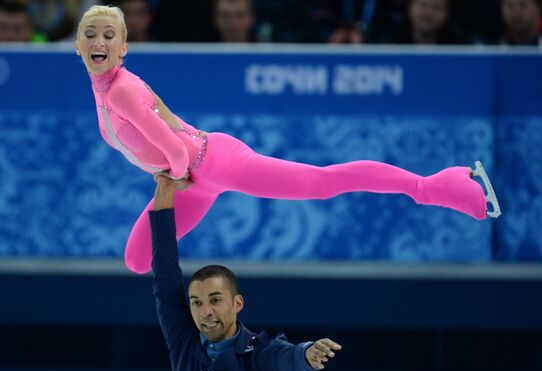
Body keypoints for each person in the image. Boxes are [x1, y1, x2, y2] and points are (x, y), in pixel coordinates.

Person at [75, 5, 500, 274]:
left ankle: (431, 185)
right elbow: (170, 124)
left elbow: (171, 149)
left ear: (124, 48)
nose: (99, 41)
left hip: (213, 163)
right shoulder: (107, 92)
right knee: (136, 260)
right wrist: (175, 170)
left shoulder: (121, 90)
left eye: (109, 35)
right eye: (90, 34)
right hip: (194, 181)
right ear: (77, 46)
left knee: (321, 182)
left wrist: (174, 175)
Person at [150, 174, 342, 371]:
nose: (205, 311)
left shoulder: (260, 352)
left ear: (237, 303)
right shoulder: (184, 339)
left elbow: (288, 358)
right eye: (196, 303)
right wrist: (165, 186)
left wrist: (307, 354)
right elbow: (165, 271)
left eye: (215, 300)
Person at [390, 0, 473, 44]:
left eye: (436, 7)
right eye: (423, 5)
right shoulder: (389, 42)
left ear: (447, 14)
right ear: (410, 8)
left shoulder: (461, 44)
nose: (428, 13)